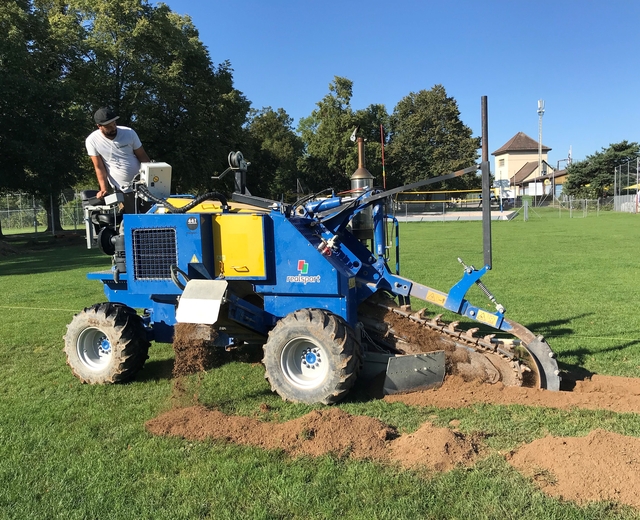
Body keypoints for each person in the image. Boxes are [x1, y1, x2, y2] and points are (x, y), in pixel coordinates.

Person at [85, 107, 151, 213]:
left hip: (143, 186)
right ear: (99, 126)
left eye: (114, 124)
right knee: (129, 220)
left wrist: (151, 180)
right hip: (122, 189)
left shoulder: (129, 133)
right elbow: (99, 167)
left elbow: (143, 156)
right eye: (109, 126)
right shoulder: (92, 140)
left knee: (149, 219)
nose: (113, 128)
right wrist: (103, 189)